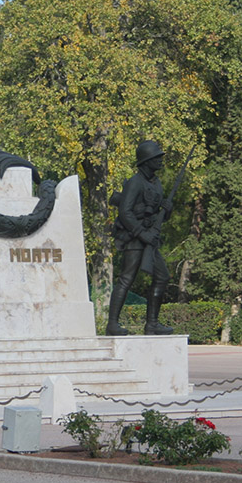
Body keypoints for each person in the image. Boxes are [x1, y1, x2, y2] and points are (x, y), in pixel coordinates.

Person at [106, 140, 174, 336]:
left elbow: (157, 215)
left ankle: (152, 323)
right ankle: (112, 324)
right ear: (146, 161)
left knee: (162, 277)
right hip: (135, 239)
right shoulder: (135, 182)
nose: (161, 160)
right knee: (126, 279)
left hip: (149, 238)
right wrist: (142, 233)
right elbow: (125, 213)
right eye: (156, 157)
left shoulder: (156, 183)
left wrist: (168, 210)